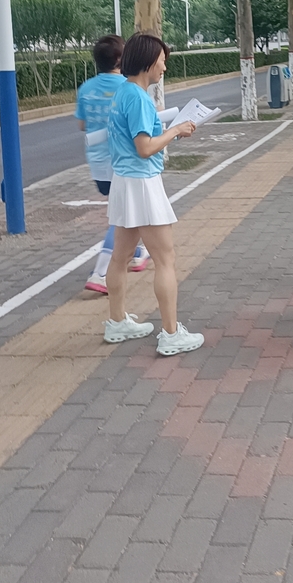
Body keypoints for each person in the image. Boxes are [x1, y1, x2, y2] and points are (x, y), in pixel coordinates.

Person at [104, 32, 204, 356]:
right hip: (143, 184)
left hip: (123, 182)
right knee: (165, 259)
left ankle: (117, 321)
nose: (164, 68)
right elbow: (145, 148)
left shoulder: (123, 92)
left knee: (120, 257)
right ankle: (171, 333)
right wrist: (175, 131)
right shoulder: (138, 98)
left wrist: (168, 131)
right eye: (161, 61)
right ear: (148, 62)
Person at [74, 34, 149, 294]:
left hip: (97, 163)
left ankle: (137, 252)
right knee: (122, 216)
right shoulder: (128, 87)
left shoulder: (86, 88)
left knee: (129, 210)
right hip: (123, 160)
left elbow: (82, 124)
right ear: (119, 59)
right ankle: (100, 272)